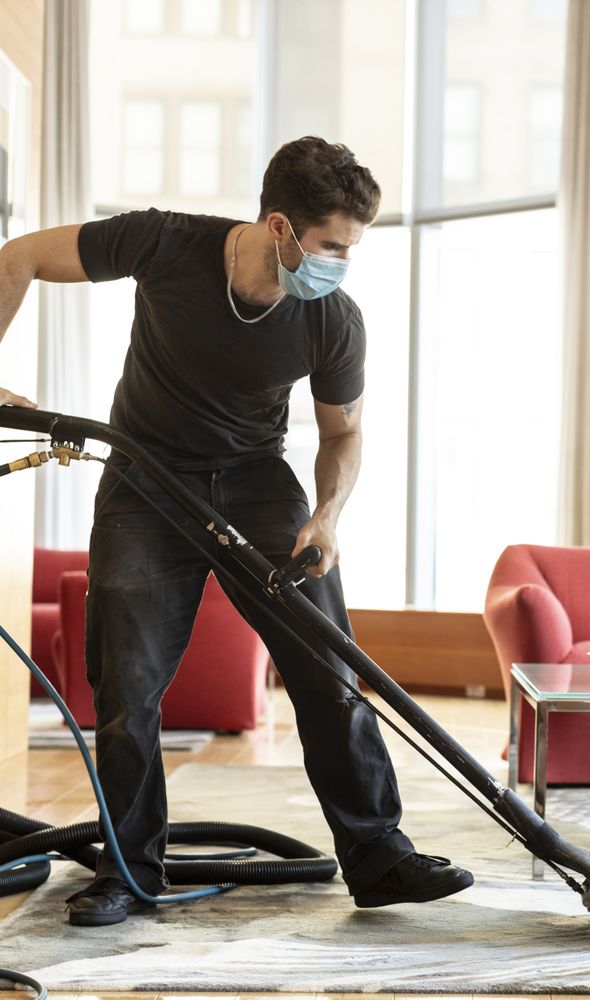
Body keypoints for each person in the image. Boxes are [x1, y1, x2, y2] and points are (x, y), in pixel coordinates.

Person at [0, 136, 474, 926]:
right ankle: (127, 871)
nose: (340, 264)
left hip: (257, 486)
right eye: (331, 246)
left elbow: (344, 435)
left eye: (352, 249)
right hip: (143, 484)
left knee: (329, 667)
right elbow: (17, 257)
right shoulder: (162, 241)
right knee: (127, 692)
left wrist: (325, 516)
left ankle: (379, 855)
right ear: (280, 226)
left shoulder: (331, 318)